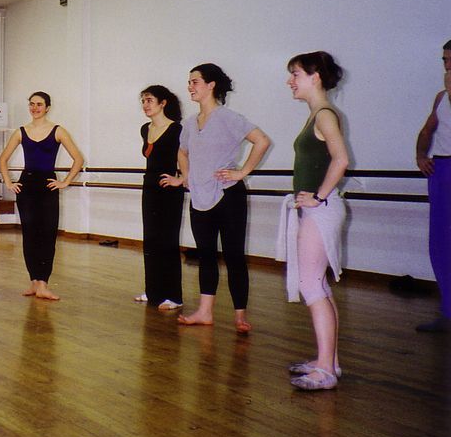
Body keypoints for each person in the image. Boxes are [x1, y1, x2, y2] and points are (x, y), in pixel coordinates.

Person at [161, 64, 270, 332]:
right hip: (200, 197)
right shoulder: (188, 124)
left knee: (233, 255)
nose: (190, 87)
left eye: (195, 82)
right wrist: (186, 177)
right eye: (189, 82)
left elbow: (262, 141)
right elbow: (182, 152)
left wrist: (242, 171)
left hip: (228, 195)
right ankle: (205, 311)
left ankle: (240, 315)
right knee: (206, 255)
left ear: (211, 85)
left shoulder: (228, 117)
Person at [277, 51, 348, 391]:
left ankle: (325, 370)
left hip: (322, 209)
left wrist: (318, 197)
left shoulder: (324, 115)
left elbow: (341, 159)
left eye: (296, 74)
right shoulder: (316, 115)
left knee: (310, 285)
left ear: (315, 76)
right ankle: (328, 360)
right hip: (316, 208)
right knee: (317, 283)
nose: (291, 81)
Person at [0, 91, 84, 300]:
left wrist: (64, 182)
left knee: (47, 235)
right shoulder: (21, 132)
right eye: (32, 104)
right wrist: (9, 182)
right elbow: (3, 159)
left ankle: (43, 283)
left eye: (39, 104)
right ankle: (34, 281)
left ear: (47, 107)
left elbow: (78, 159)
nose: (35, 107)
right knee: (30, 235)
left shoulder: (58, 131)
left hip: (47, 186)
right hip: (26, 186)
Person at [135, 85, 185, 310]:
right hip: (150, 186)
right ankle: (153, 290)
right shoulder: (145, 129)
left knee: (167, 241)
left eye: (149, 100)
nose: (145, 105)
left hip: (169, 189)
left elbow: (185, 157)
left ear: (163, 103)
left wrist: (181, 179)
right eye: (143, 101)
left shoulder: (177, 130)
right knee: (151, 239)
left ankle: (173, 296)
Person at [414, 39, 451, 333]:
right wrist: (420, 155)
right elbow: (428, 130)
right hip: (442, 170)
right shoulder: (441, 98)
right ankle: (447, 310)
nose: (447, 67)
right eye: (444, 61)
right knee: (439, 241)